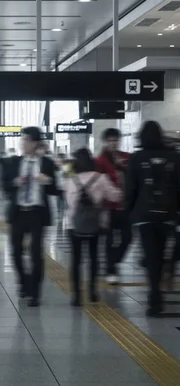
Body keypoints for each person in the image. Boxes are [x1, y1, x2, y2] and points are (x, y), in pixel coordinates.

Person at [125, 121, 180, 317]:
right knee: (162, 251)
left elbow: (131, 188)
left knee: (151, 255)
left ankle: (154, 298)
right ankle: (159, 292)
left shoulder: (137, 157)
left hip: (145, 216)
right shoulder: (174, 157)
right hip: (167, 215)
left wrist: (129, 213)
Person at [4, 127, 57, 307]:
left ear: (35, 143)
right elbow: (5, 186)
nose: (23, 144)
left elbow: (55, 189)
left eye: (26, 140)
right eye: (22, 140)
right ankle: (23, 281)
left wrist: (47, 181)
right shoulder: (14, 162)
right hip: (18, 212)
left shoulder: (47, 163)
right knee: (15, 252)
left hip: (37, 213)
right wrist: (15, 182)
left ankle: (35, 293)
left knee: (36, 254)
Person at [65, 149, 121, 307]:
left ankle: (76, 296)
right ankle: (92, 292)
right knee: (94, 258)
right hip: (96, 224)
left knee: (76, 260)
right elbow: (115, 196)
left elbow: (69, 203)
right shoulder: (101, 178)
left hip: (73, 224)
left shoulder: (71, 180)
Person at [95, 128, 131, 284]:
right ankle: (110, 270)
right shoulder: (100, 161)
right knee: (109, 240)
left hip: (125, 207)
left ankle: (114, 261)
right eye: (109, 141)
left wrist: (123, 167)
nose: (113, 144)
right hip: (108, 208)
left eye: (115, 140)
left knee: (127, 238)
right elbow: (98, 184)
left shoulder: (127, 158)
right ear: (105, 142)